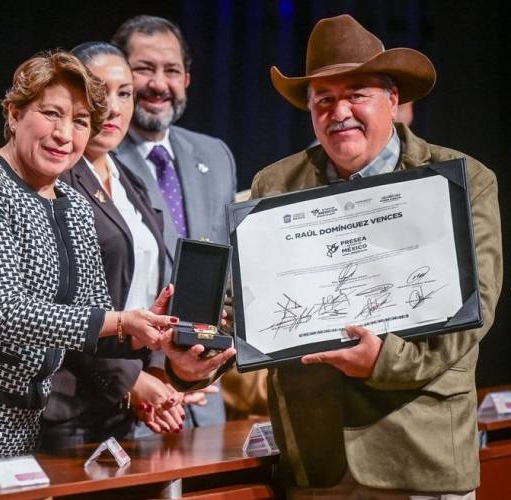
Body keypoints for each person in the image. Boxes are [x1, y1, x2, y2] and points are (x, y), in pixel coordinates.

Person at [165, 14, 502, 498]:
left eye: (356, 94)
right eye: (323, 99)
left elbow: (474, 311)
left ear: (392, 99)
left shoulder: (461, 179)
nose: (338, 110)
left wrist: (382, 361)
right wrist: (199, 357)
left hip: (418, 455)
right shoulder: (274, 184)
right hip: (314, 462)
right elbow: (249, 309)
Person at [0, 51, 177, 460]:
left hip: (27, 428)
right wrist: (120, 321)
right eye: (51, 113)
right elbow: (4, 313)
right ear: (14, 113)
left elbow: (93, 320)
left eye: (79, 121)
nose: (64, 134)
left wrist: (161, 339)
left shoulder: (73, 205)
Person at [40, 42, 192, 449]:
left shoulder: (130, 181)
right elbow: (55, 304)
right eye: (98, 91)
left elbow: (150, 291)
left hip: (124, 408)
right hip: (69, 408)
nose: (113, 106)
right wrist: (131, 380)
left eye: (124, 92)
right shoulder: (54, 183)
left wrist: (157, 370)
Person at [112, 14, 236, 428]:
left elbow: (228, 277)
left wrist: (204, 365)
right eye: (144, 69)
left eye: (172, 71)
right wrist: (143, 377)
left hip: (207, 400)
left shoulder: (216, 155)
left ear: (188, 79)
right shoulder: (94, 158)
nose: (159, 84)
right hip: (131, 400)